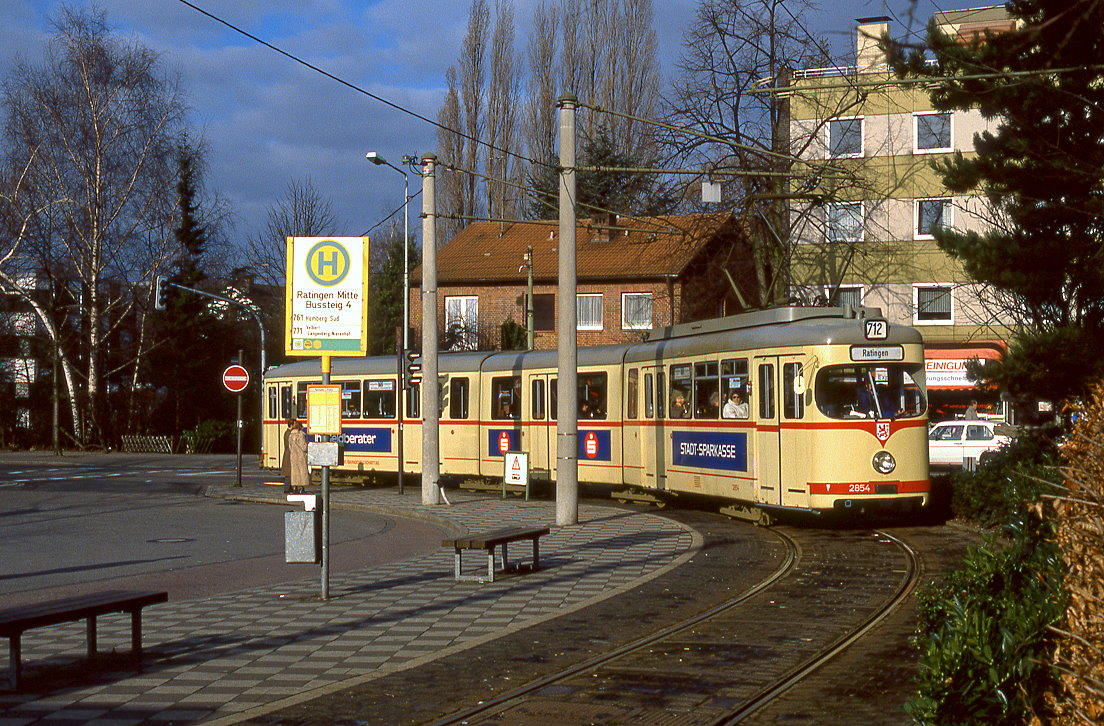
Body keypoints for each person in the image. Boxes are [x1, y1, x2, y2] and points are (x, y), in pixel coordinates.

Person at [288, 420, 309, 494]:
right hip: (301, 456)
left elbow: (290, 447)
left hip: (293, 456)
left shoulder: (291, 435)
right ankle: (301, 488)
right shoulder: (301, 435)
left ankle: (294, 488)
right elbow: (304, 447)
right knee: (302, 472)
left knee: (294, 472)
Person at [281, 419, 297, 493]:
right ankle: (287, 489)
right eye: (294, 424)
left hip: (288, 454)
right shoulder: (288, 433)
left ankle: (289, 488)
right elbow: (289, 445)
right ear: (291, 425)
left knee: (289, 473)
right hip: (289, 455)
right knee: (288, 473)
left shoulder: (288, 432)